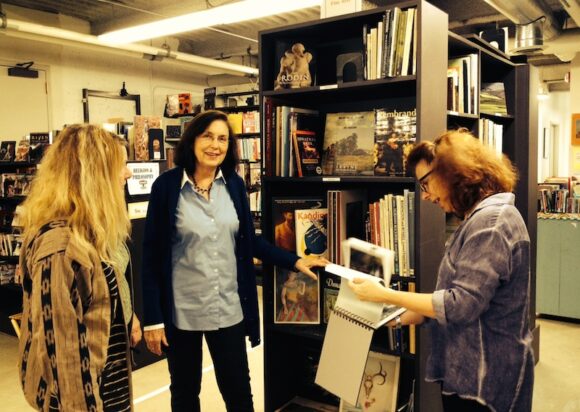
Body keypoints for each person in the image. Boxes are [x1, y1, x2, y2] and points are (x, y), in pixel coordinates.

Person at [141, 110, 328, 412]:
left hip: (227, 307)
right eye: (208, 137)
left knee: (239, 393)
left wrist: (294, 261)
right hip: (182, 311)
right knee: (185, 394)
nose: (215, 145)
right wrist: (153, 319)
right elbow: (151, 257)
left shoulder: (234, 185)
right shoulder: (166, 187)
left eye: (223, 139)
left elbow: (250, 242)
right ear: (192, 141)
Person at [349, 129, 534, 412]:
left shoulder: (491, 224)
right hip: (469, 375)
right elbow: (444, 304)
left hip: (486, 384)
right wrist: (389, 317)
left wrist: (386, 294)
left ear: (454, 172)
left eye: (425, 183)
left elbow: (459, 306)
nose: (425, 196)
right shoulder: (478, 220)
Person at [17, 124, 142, 411]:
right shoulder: (60, 248)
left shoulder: (90, 231)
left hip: (107, 385)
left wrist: (127, 314)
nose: (128, 173)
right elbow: (63, 356)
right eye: (121, 165)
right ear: (94, 175)